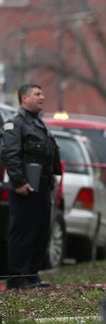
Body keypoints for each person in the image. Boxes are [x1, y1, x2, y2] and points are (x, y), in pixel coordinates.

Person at [1, 84, 61, 290]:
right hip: (25, 187)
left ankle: (31, 275)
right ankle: (17, 278)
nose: (42, 97)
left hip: (42, 187)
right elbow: (10, 154)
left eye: (42, 93)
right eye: (37, 94)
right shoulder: (15, 124)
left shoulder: (39, 124)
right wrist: (19, 182)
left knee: (40, 232)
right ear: (24, 98)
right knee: (23, 232)